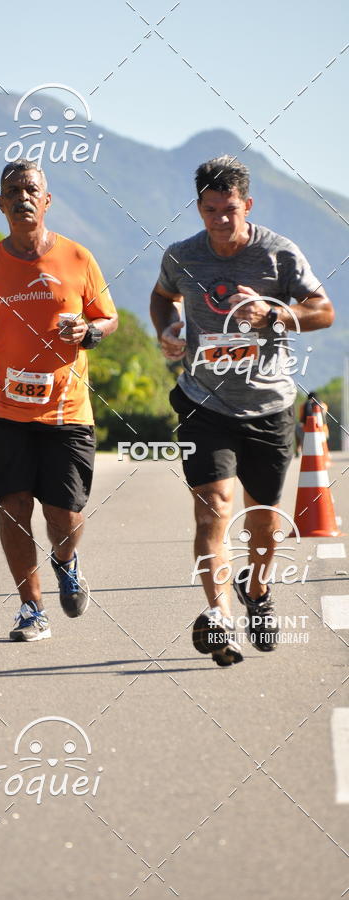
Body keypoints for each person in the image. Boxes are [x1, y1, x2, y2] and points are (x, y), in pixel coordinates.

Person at [150, 155, 334, 666]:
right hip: (203, 403)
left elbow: (324, 311)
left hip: (269, 408)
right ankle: (220, 619)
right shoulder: (182, 255)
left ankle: (257, 591)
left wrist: (276, 312)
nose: (220, 221)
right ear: (199, 208)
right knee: (212, 507)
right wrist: (167, 330)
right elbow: (162, 296)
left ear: (247, 205)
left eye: (229, 210)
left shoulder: (279, 255)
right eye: (210, 210)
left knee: (261, 523)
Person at [0, 159, 118, 641]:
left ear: (46, 200)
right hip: (5, 410)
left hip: (67, 411)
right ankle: (31, 608)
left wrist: (90, 332)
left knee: (64, 517)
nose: (23, 197)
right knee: (13, 506)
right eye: (13, 191)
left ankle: (66, 561)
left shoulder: (79, 259)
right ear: (1, 204)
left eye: (32, 189)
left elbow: (108, 319)